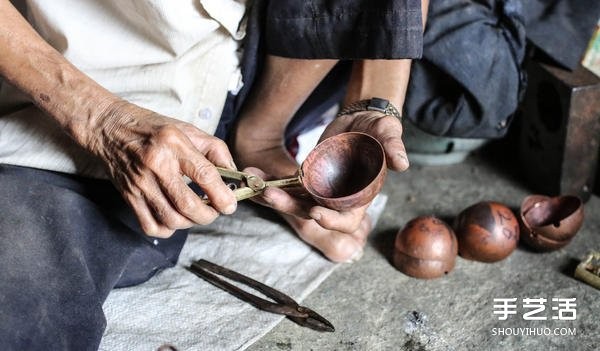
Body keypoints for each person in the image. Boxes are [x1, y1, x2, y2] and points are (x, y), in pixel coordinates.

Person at [0, 0, 427, 348]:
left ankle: (261, 135)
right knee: (20, 312)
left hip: (265, 62)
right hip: (76, 85)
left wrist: (373, 103)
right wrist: (100, 120)